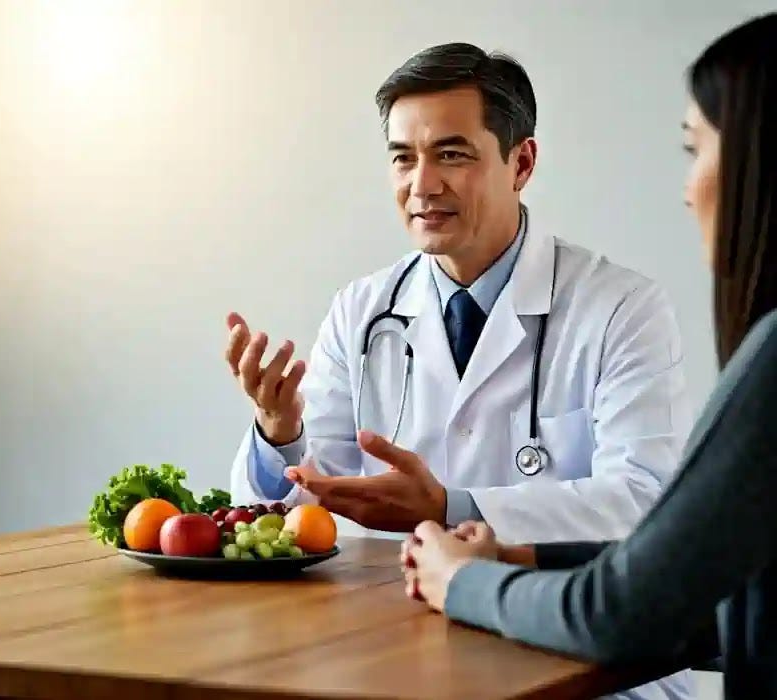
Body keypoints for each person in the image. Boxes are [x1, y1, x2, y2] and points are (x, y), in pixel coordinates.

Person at [225, 43, 693, 700]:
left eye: (452, 154)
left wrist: (454, 508)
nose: (422, 184)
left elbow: (645, 505)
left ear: (521, 162)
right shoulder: (361, 310)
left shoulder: (621, 308)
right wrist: (279, 435)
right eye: (402, 158)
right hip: (407, 654)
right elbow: (302, 522)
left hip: (585, 668)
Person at [397, 12, 777, 700]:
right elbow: (704, 588)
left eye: (697, 149)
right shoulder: (364, 307)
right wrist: (518, 556)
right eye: (403, 157)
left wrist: (467, 582)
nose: (688, 188)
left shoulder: (756, 355)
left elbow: (625, 610)